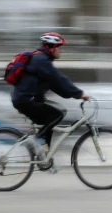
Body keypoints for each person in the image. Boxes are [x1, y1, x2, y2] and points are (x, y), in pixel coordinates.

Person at [11, 32, 90, 160]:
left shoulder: (41, 60)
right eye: (60, 47)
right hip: (27, 100)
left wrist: (71, 94)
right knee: (57, 114)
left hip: (26, 99)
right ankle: (36, 141)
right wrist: (79, 94)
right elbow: (59, 79)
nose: (61, 51)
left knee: (51, 119)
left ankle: (44, 157)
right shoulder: (41, 60)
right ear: (51, 47)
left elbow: (55, 84)